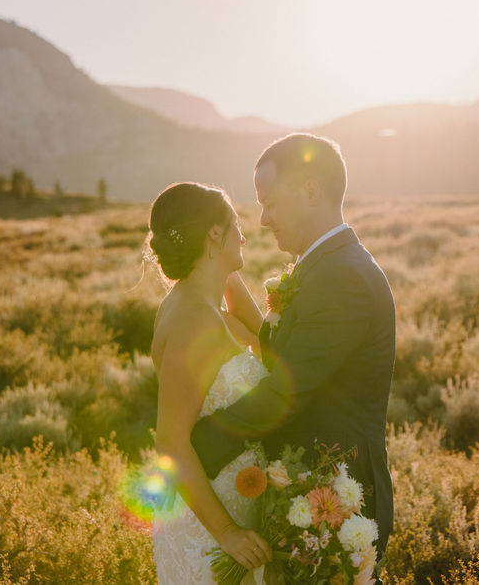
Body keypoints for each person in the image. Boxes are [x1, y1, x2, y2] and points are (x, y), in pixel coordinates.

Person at [191, 133, 397, 559]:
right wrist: (220, 271)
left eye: (269, 203)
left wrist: (193, 445)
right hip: (307, 491)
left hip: (339, 502)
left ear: (310, 191)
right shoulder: (323, 267)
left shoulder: (343, 278)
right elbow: (286, 346)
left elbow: (287, 390)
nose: (263, 220)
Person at [147, 182, 273, 584]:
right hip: (210, 527)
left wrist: (223, 268)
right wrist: (227, 533)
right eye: (234, 223)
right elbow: (169, 441)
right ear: (215, 234)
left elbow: (264, 341)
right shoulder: (195, 320)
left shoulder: (199, 304)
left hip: (233, 504)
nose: (245, 234)